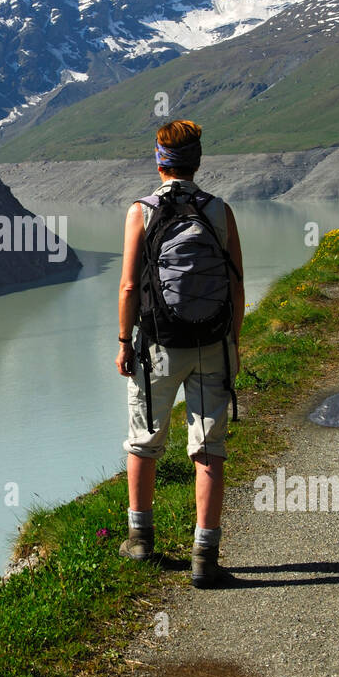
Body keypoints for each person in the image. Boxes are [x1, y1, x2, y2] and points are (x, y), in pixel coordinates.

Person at [115, 120, 244, 588]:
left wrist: (124, 342)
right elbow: (235, 283)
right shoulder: (218, 211)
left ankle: (141, 540)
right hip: (212, 343)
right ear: (198, 161)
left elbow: (130, 285)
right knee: (209, 449)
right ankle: (205, 557)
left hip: (157, 346)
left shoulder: (141, 211)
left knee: (144, 442)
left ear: (159, 161)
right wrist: (233, 341)